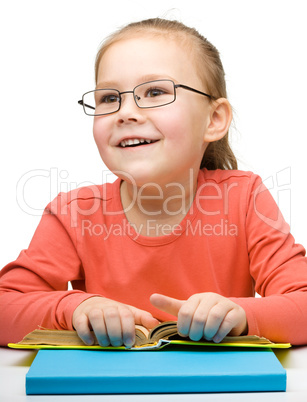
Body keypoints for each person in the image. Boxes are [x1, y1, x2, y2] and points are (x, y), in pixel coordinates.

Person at [1, 18, 307, 348]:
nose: (125, 112)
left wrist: (241, 315)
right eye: (108, 98)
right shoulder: (72, 213)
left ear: (214, 120)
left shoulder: (244, 197)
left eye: (156, 92)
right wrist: (78, 307)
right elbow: (6, 309)